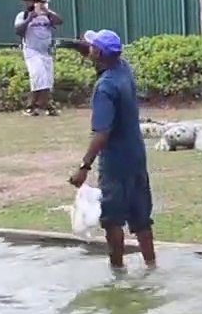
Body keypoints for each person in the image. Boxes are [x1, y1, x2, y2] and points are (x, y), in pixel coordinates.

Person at [68, 29, 158, 271]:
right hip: (136, 157)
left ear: (98, 53)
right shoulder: (123, 69)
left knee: (112, 220)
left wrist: (83, 167)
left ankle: (118, 272)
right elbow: (100, 53)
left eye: (93, 46)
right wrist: (81, 46)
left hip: (115, 163)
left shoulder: (105, 87)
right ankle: (151, 265)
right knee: (141, 218)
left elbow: (101, 133)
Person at [14, 0, 63, 117]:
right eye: (29, 1)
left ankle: (41, 106)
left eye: (35, 1)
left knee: (47, 80)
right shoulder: (22, 15)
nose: (32, 3)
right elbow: (18, 30)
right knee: (38, 75)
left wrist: (47, 12)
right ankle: (36, 106)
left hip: (45, 51)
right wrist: (30, 18)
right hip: (31, 50)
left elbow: (59, 21)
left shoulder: (46, 15)